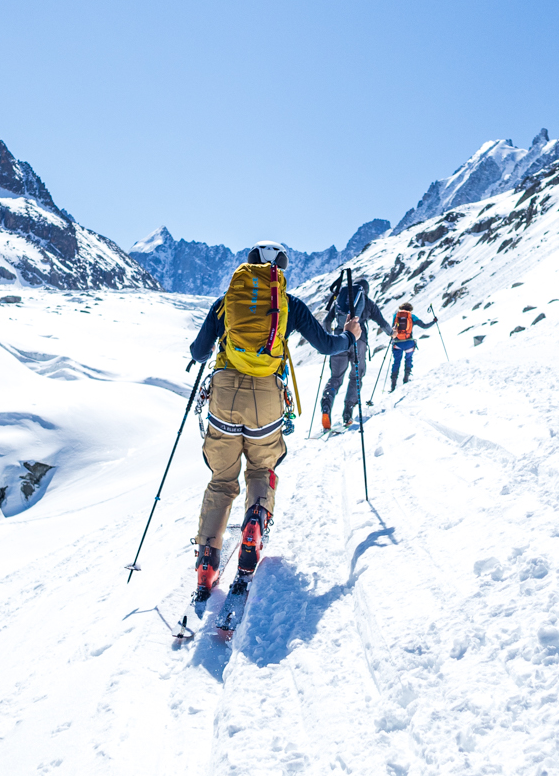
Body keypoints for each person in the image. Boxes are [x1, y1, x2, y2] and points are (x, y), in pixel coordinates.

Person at [186, 241, 358, 609]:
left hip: (224, 395)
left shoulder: (227, 302)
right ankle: (253, 528)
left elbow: (198, 352)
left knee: (221, 480)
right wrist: (351, 336)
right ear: (280, 267)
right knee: (261, 469)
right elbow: (327, 344)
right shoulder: (289, 304)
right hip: (267, 398)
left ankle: (206, 561)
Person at [318, 268, 387, 431]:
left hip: (338, 341)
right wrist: (392, 334)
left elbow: (326, 322)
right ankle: (348, 412)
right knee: (356, 377)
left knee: (335, 377)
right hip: (359, 342)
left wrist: (330, 337)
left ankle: (326, 407)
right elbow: (381, 322)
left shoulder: (339, 301)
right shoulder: (367, 302)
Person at [385, 299, 437, 391]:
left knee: (396, 362)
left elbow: (393, 328)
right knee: (408, 359)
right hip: (409, 343)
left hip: (397, 344)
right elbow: (424, 326)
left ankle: (393, 385)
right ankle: (406, 379)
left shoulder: (396, 316)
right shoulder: (412, 316)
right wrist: (434, 321)